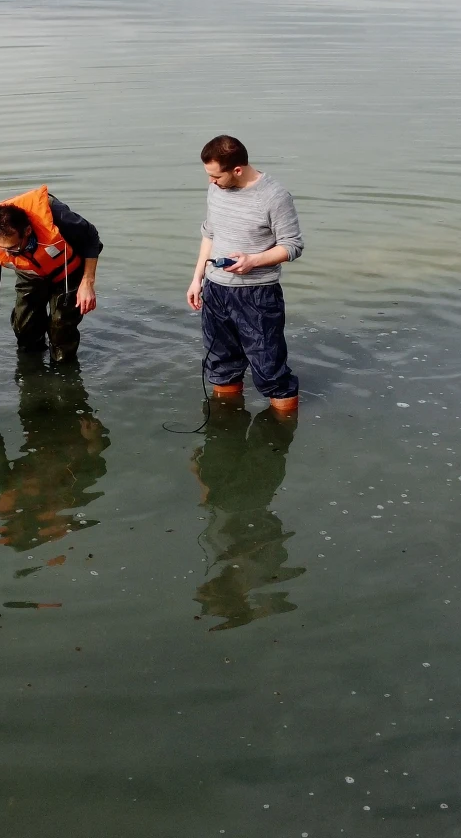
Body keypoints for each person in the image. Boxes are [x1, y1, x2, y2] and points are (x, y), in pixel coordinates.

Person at [185, 135, 304, 412]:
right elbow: (210, 234)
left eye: (216, 176)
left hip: (257, 295)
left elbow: (293, 246)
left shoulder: (274, 196)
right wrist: (197, 278)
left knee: (270, 371)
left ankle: (280, 440)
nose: (211, 182)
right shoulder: (216, 189)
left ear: (237, 169)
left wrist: (254, 260)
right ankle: (226, 431)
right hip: (215, 290)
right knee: (220, 365)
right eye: (209, 176)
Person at [0, 186, 101, 384]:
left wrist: (87, 282)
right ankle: (32, 382)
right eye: (2, 248)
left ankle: (64, 384)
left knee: (61, 331)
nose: (8, 254)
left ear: (27, 231)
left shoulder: (59, 216)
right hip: (30, 272)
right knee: (25, 328)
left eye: (12, 248)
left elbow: (91, 238)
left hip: (67, 269)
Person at [190, 399, 302, 631]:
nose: (203, 590)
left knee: (223, 425)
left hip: (225, 490)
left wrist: (200, 475)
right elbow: (271, 535)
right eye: (208, 596)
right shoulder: (262, 572)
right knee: (267, 427)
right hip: (253, 489)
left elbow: (213, 513)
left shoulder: (222, 563)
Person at [0, 354, 108, 551]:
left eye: (11, 522)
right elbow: (93, 463)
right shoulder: (64, 496)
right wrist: (94, 438)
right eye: (14, 523)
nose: (9, 517)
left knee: (32, 369)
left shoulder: (6, 485)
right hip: (72, 432)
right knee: (66, 373)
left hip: (37, 428)